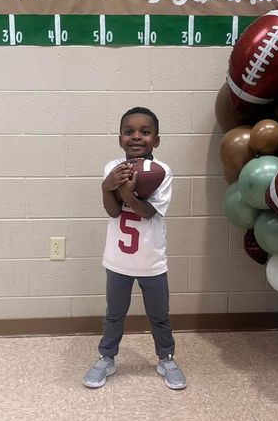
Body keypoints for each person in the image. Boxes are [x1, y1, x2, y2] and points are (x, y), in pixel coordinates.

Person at [83, 107, 186, 390]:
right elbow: (114, 212)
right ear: (120, 139)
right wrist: (106, 188)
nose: (136, 137)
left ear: (157, 139)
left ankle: (166, 357)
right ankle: (107, 357)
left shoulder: (163, 172)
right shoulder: (112, 168)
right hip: (118, 259)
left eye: (145, 131)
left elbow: (148, 213)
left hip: (152, 260)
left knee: (159, 314)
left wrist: (126, 192)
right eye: (129, 132)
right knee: (114, 313)